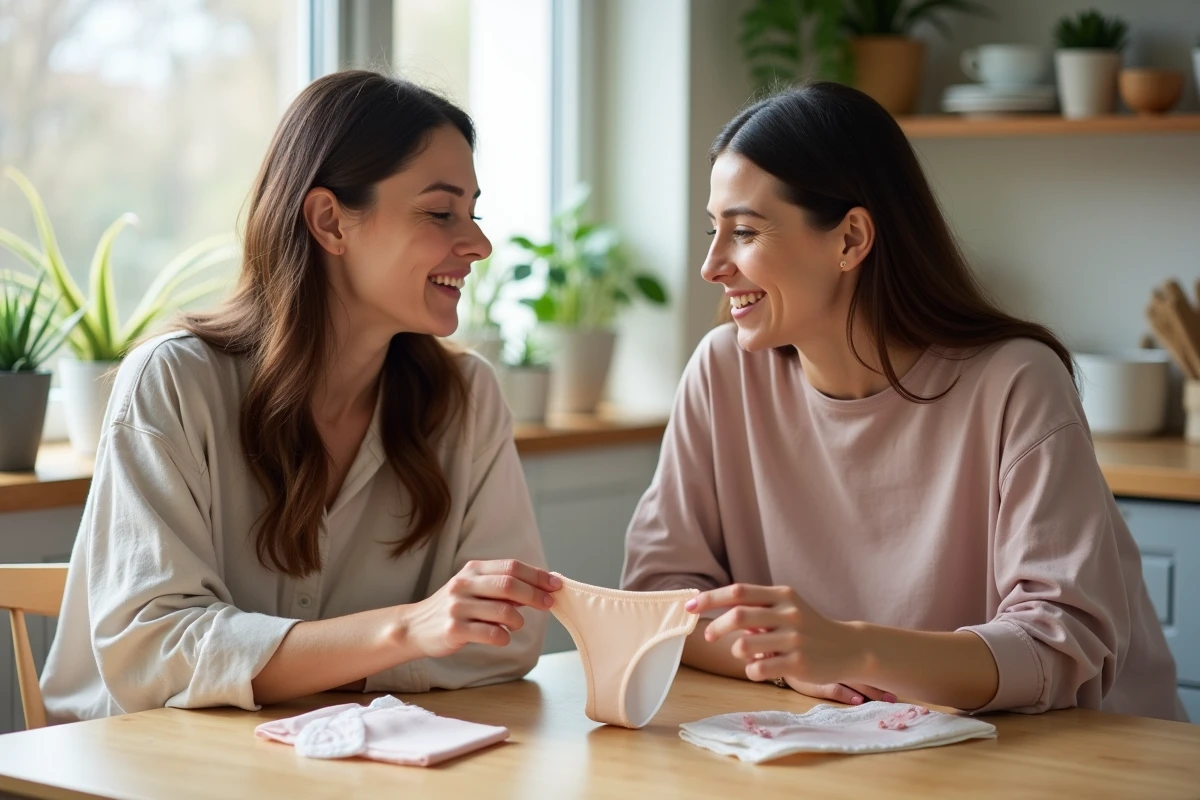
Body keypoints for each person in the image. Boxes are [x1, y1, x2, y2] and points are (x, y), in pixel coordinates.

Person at [621, 82, 1185, 721]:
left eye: (744, 231)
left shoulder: (1017, 382)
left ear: (850, 239)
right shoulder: (723, 372)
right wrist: (791, 666)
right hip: (871, 746)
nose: (711, 265)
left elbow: (1060, 646)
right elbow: (657, 600)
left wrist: (851, 650)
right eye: (713, 229)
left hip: (1086, 755)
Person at [41, 70, 559, 723]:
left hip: (347, 763)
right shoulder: (174, 383)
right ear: (329, 222)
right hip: (146, 764)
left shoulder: (467, 399)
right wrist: (407, 633)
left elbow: (510, 632)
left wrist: (309, 667)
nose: (479, 244)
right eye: (440, 212)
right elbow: (154, 651)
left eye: (473, 213)